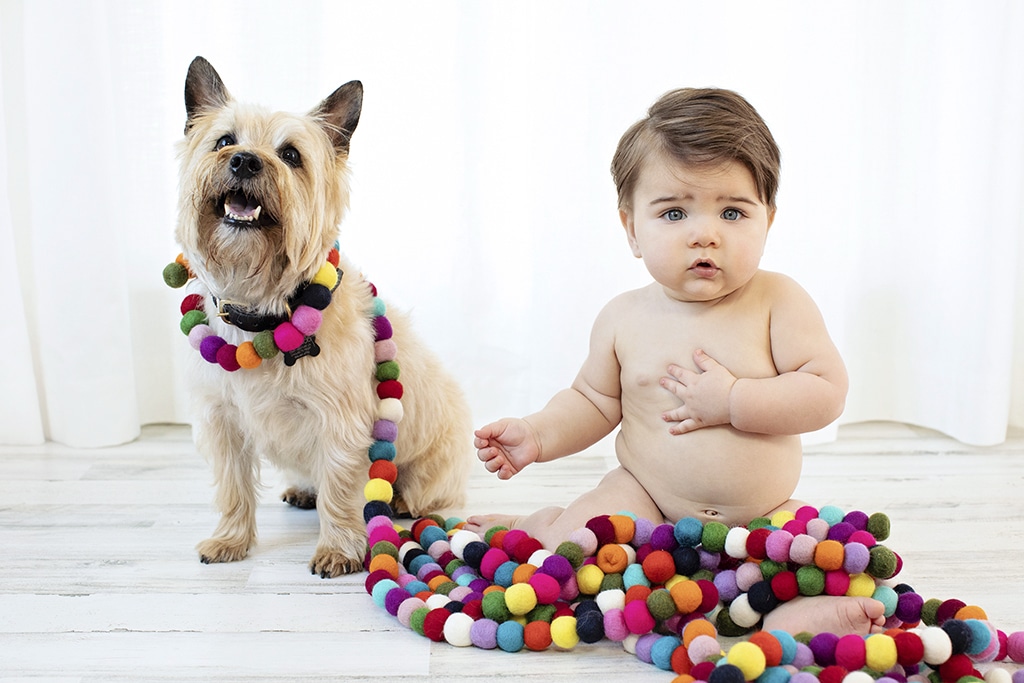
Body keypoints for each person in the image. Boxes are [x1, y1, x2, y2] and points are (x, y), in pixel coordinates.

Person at [465, 88, 885, 636]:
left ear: (769, 221)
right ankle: (544, 527)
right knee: (578, 547)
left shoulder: (779, 303)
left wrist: (735, 400)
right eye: (674, 212)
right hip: (649, 501)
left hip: (761, 514)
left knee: (822, 555)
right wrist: (538, 435)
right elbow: (593, 401)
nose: (704, 233)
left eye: (733, 211)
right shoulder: (623, 318)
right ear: (632, 229)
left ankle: (794, 613)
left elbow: (826, 390)